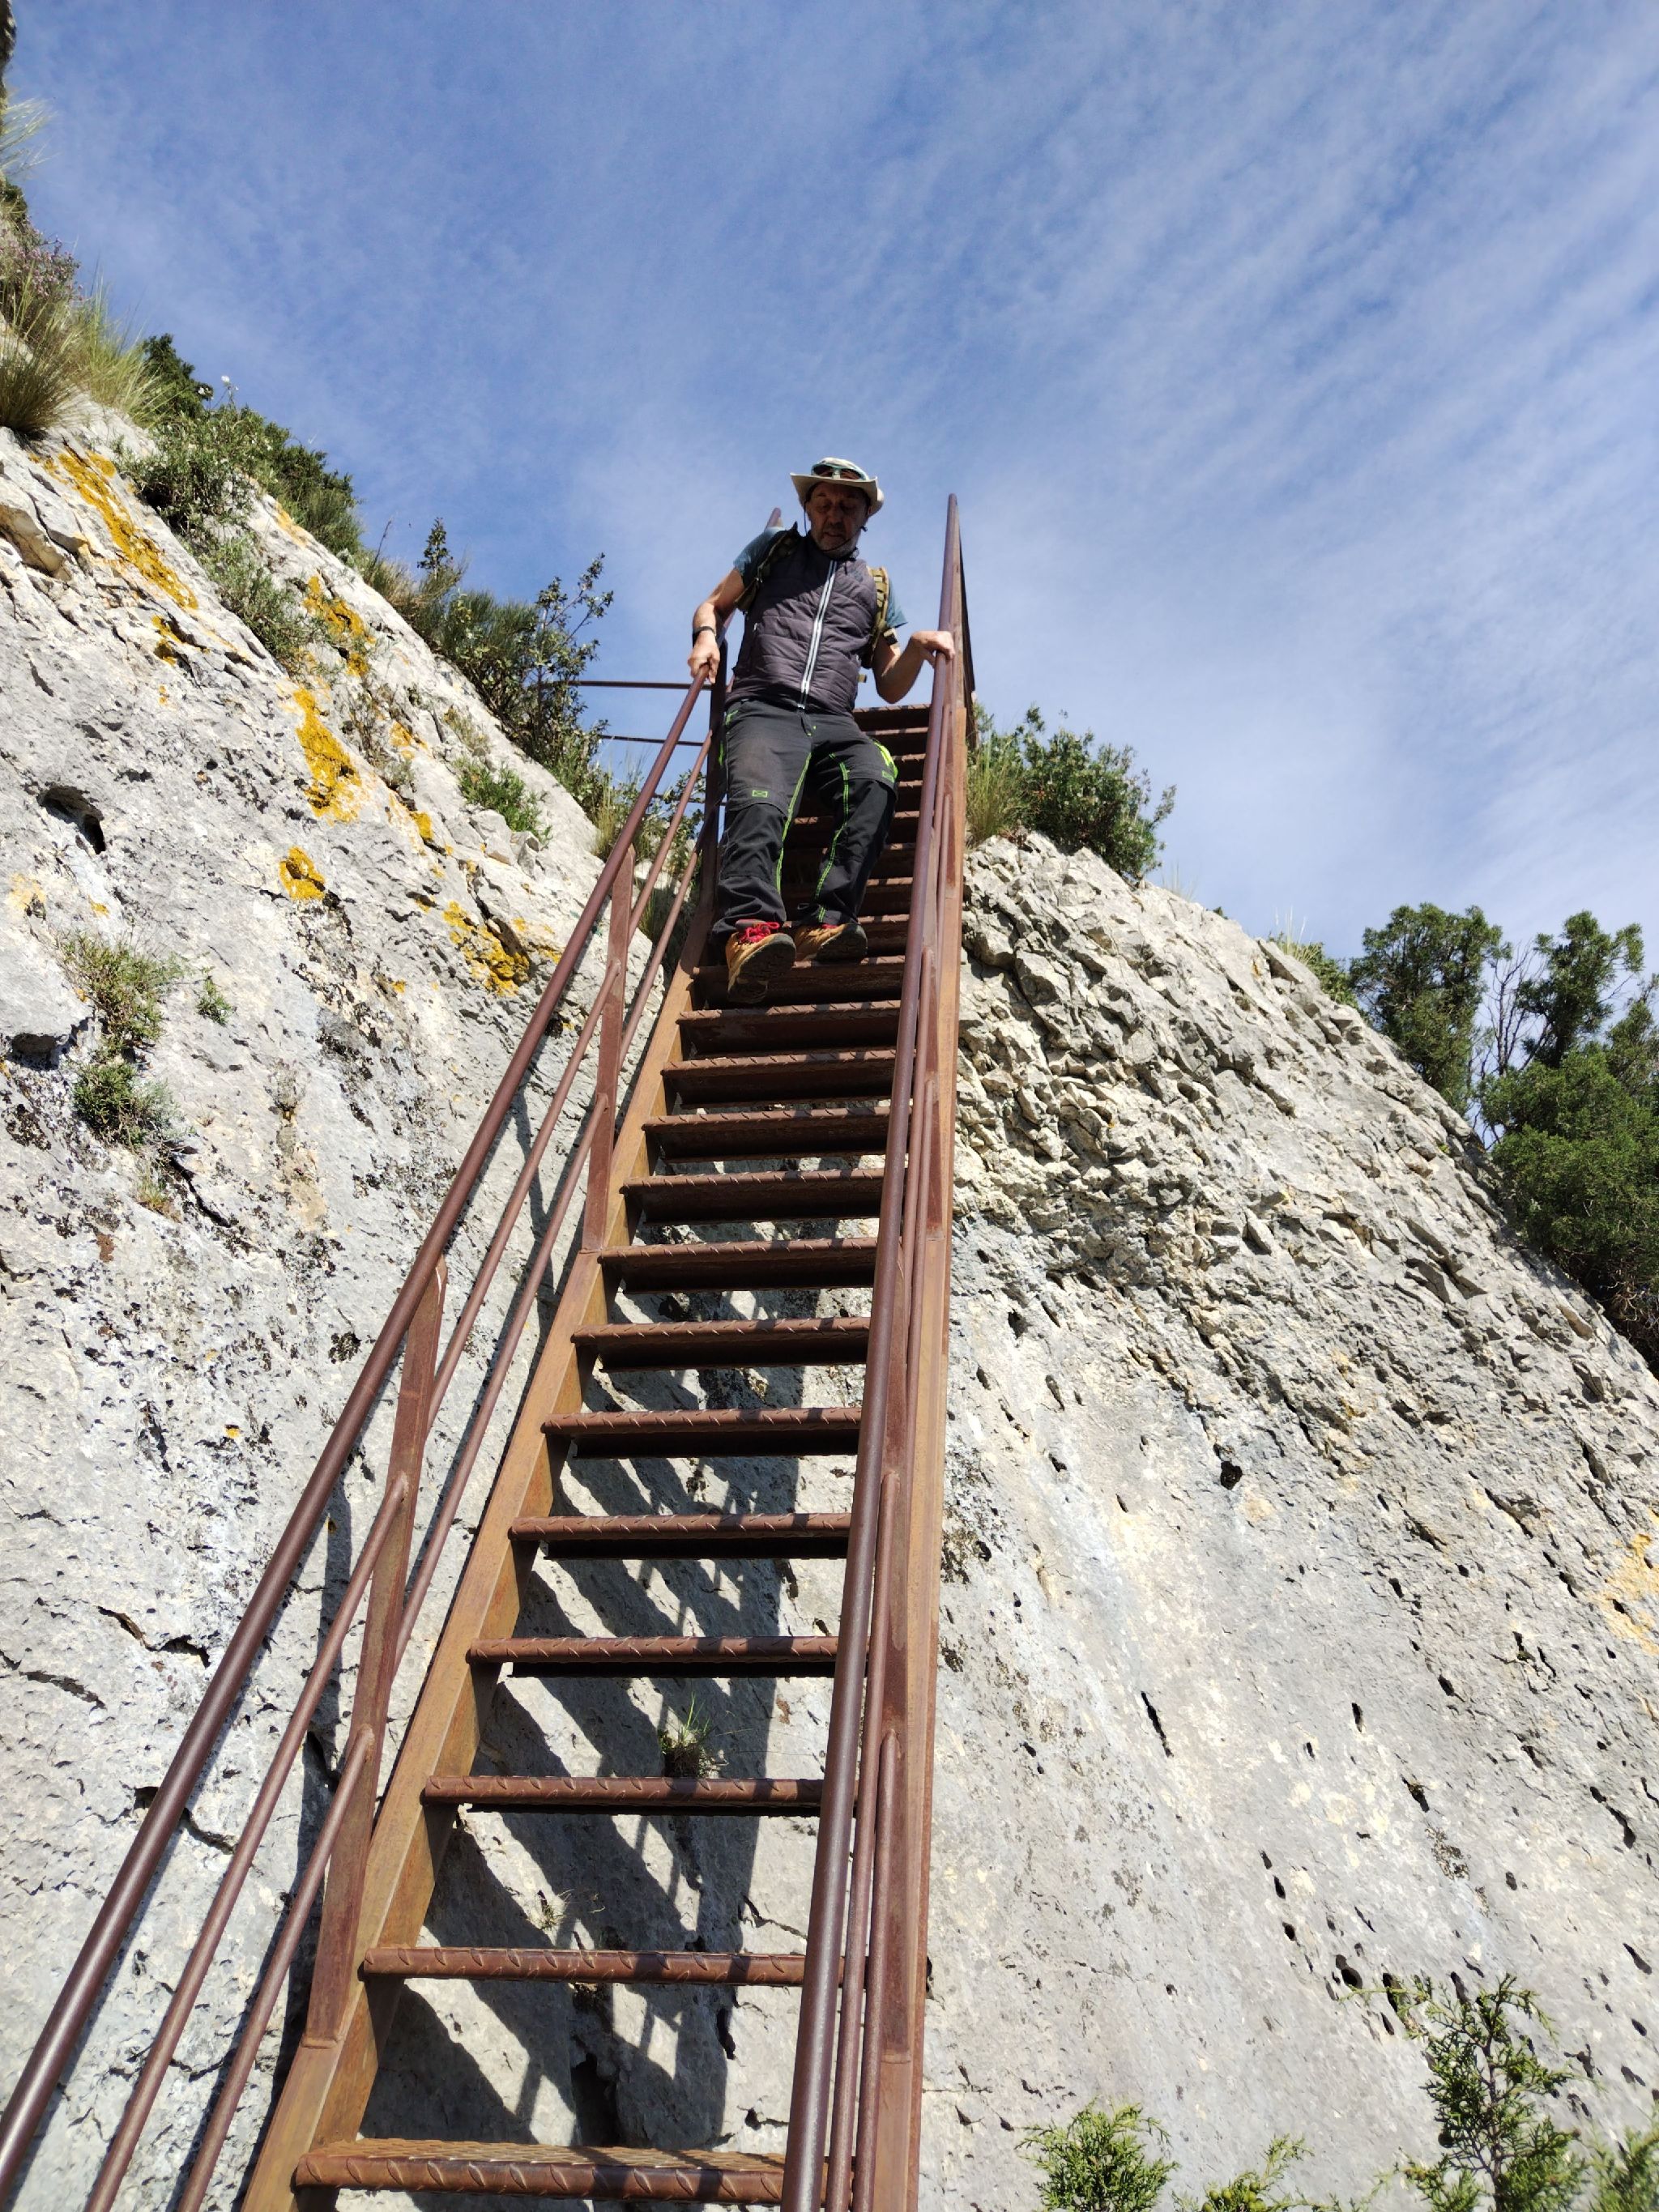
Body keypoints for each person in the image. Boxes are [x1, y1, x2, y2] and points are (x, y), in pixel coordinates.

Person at [689, 457, 955, 1003]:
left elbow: (889, 686)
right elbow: (713, 605)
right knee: (760, 803)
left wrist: (918, 647)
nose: (835, 514)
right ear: (808, 508)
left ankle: (827, 919)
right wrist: (706, 637)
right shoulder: (774, 549)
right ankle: (748, 932)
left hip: (834, 720)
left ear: (865, 516)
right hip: (762, 704)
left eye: (848, 505)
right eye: (824, 503)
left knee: (877, 778)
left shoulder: (876, 588)